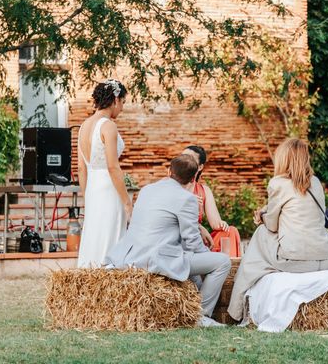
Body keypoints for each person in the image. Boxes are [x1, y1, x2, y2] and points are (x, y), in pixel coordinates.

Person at [106, 154, 231, 327]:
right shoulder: (187, 199)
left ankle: (190, 306)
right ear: (193, 178)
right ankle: (200, 315)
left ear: (169, 171)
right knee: (222, 262)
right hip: (157, 259)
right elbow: (193, 242)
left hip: (131, 255)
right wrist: (207, 257)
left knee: (190, 261)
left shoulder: (147, 189)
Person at [228, 138, 328, 322]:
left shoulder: (278, 183)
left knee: (260, 234)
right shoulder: (316, 182)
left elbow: (272, 225)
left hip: (295, 260)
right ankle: (238, 305)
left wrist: (261, 216)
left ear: (284, 159)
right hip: (325, 258)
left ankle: (235, 310)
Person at [77, 79, 131, 268]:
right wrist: (127, 202)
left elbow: (81, 169)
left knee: (95, 235)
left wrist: (87, 197)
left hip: (92, 188)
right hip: (109, 189)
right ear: (115, 99)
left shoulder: (84, 126)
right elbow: (113, 167)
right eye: (123, 102)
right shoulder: (108, 125)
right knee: (111, 236)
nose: (122, 109)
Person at [181, 145, 242, 257]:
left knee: (230, 231)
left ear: (200, 167)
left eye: (189, 158)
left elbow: (215, 223)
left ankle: (229, 271)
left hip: (198, 240)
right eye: (182, 157)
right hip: (179, 238)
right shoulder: (171, 185)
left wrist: (221, 224)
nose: (184, 161)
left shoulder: (203, 190)